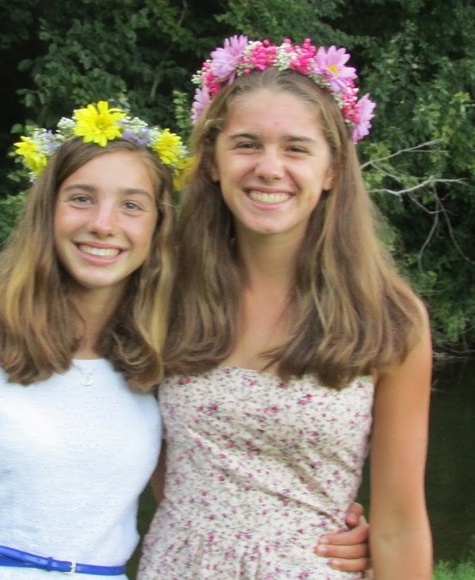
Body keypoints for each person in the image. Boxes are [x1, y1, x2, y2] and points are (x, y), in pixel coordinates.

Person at [138, 36, 432, 579]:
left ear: (332, 171)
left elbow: (400, 525)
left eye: (296, 148)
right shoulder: (161, 291)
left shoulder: (389, 318)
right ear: (212, 161)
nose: (270, 168)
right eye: (246, 144)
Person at [0, 100, 188, 578]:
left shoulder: (163, 360)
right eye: (81, 198)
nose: (103, 224)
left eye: (132, 205)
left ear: (157, 227)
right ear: (46, 211)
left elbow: (202, 504)